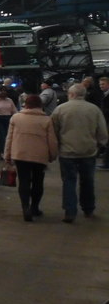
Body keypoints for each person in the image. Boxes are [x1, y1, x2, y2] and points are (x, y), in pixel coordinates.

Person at [51, 83, 109, 222]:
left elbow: (53, 131)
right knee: (88, 181)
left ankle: (70, 211)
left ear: (70, 94)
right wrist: (100, 145)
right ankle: (88, 209)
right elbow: (102, 131)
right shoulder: (94, 109)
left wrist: (56, 147)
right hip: (88, 152)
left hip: (67, 152)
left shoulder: (60, 109)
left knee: (69, 182)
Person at [4, 94, 58, 221]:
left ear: (26, 104)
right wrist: (52, 155)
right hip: (40, 155)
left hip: (20, 154)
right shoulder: (46, 120)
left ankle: (25, 207)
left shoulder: (16, 118)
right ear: (40, 105)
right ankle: (35, 207)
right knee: (38, 182)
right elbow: (52, 141)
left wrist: (7, 155)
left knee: (24, 181)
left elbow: (9, 138)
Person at [0, 86, 16, 160]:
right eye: (1, 91)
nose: (3, 92)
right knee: (2, 137)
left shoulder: (9, 100)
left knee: (7, 137)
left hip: (8, 119)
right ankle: (1, 153)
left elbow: (14, 110)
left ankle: (0, 151)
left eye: (4, 90)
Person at [100, 76, 109, 170]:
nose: (101, 86)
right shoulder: (104, 94)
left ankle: (106, 164)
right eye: (100, 84)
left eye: (103, 84)